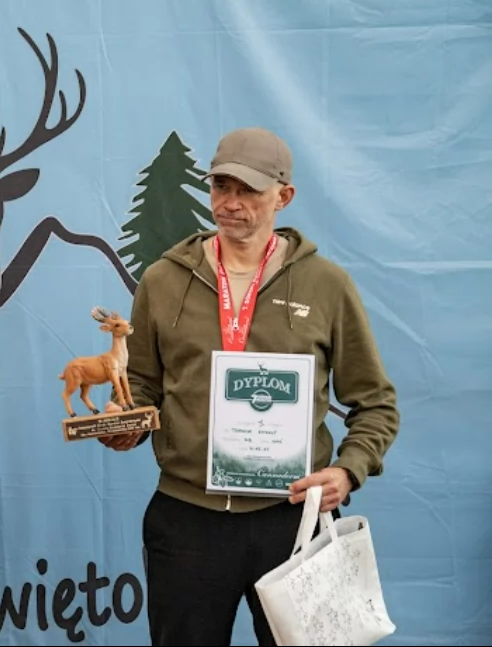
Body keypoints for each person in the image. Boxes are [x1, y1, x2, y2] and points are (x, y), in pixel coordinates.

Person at [100, 127, 401, 646]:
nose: (231, 204)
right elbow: (144, 384)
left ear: (283, 196)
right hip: (187, 518)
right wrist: (125, 419)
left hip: (290, 520)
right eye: (221, 187)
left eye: (249, 191)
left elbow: (375, 404)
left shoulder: (326, 286)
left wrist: (347, 472)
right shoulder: (162, 280)